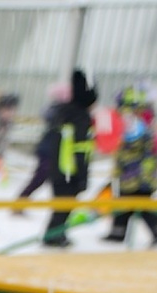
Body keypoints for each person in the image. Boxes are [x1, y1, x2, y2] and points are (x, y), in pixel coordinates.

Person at [19, 71, 96, 247]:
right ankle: (53, 236)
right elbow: (80, 148)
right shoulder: (80, 118)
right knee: (65, 205)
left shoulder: (63, 113)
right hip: (70, 169)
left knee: (60, 205)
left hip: (59, 168)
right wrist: (82, 175)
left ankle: (55, 234)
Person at [108, 85, 157, 246]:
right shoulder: (147, 119)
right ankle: (117, 231)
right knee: (128, 201)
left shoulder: (132, 121)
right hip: (144, 170)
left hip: (134, 170)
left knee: (135, 202)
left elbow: (130, 143)